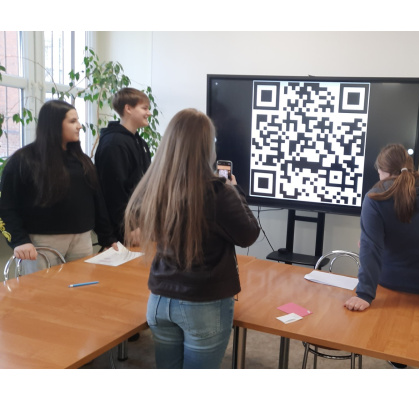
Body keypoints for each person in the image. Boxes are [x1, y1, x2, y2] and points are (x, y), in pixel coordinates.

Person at [124, 108, 260, 369]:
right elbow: (248, 234)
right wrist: (235, 190)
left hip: (159, 300)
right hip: (203, 303)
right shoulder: (219, 192)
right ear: (206, 147)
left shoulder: (154, 186)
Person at [0, 100, 117, 274]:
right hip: (41, 244)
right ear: (54, 124)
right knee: (41, 290)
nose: (79, 126)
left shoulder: (82, 160)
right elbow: (6, 206)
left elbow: (97, 201)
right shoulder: (23, 160)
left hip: (82, 240)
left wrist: (108, 238)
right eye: (72, 121)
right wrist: (19, 241)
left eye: (78, 120)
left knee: (82, 288)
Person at [344, 144, 419, 313]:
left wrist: (364, 295)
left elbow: (371, 249)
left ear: (383, 171)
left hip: (394, 283)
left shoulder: (375, 198)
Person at [94, 88, 152, 244]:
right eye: (144, 108)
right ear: (128, 109)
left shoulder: (139, 142)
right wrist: (129, 227)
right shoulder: (114, 144)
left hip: (141, 224)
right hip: (126, 230)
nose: (149, 113)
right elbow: (114, 192)